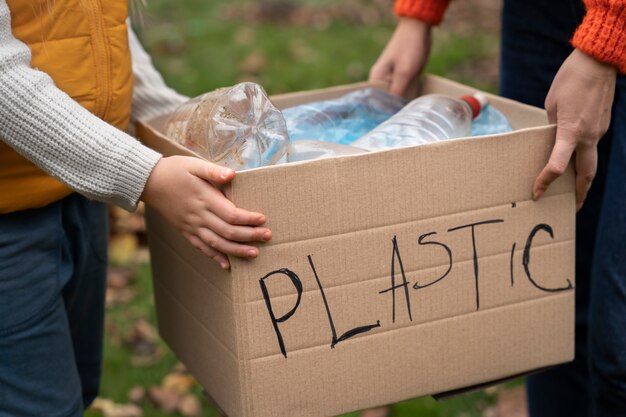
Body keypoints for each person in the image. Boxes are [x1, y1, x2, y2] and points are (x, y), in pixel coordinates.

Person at [0, 1, 272, 415]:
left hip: (73, 191)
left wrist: (172, 119)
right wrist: (146, 174)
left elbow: (96, 28)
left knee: (78, 381)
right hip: (8, 222)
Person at [370, 0, 625, 416]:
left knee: (618, 349)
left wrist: (609, 34)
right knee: (548, 316)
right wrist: (418, 14)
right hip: (540, 21)